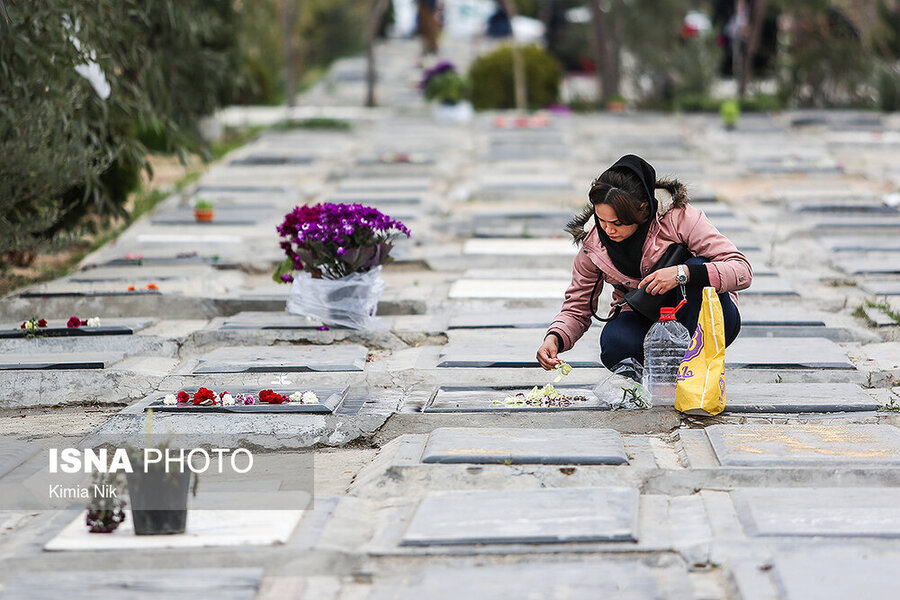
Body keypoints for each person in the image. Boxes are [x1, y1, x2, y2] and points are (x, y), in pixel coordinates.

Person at [536, 154, 752, 372]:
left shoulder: (681, 219)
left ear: (643, 209)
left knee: (698, 267)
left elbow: (742, 270)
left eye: (618, 223)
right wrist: (554, 338)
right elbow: (577, 306)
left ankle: (697, 366)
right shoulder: (593, 245)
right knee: (615, 345)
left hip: (702, 315)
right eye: (602, 221)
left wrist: (682, 273)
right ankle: (662, 373)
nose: (609, 230)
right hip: (644, 317)